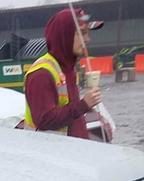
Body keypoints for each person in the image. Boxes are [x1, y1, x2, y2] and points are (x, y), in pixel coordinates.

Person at [23, 8, 104, 137]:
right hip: (51, 153)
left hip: (72, 151)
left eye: (87, 33)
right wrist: (83, 105)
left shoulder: (68, 69)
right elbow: (44, 120)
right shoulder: (41, 74)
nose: (87, 39)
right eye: (81, 33)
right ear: (64, 36)